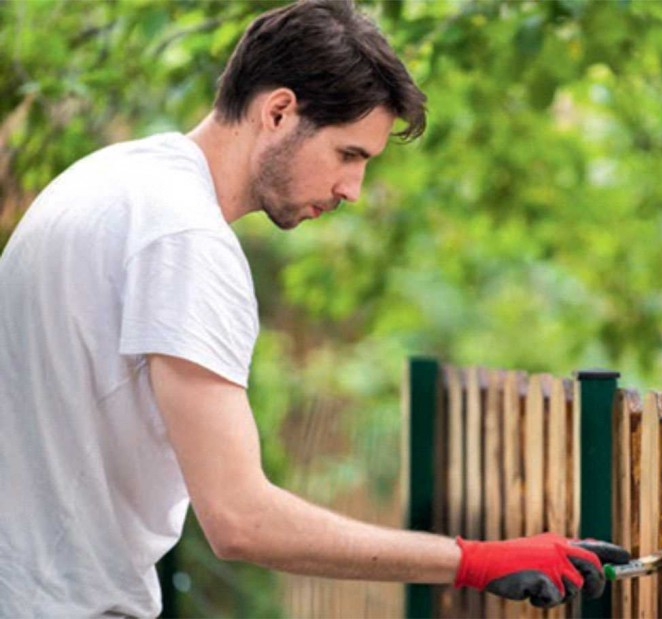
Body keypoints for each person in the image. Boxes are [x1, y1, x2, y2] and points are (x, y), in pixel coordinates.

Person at [0, 1, 629, 615]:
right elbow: (241, 519)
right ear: (278, 111)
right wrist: (474, 560)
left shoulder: (110, 179)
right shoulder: (185, 240)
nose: (351, 190)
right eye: (347, 155)